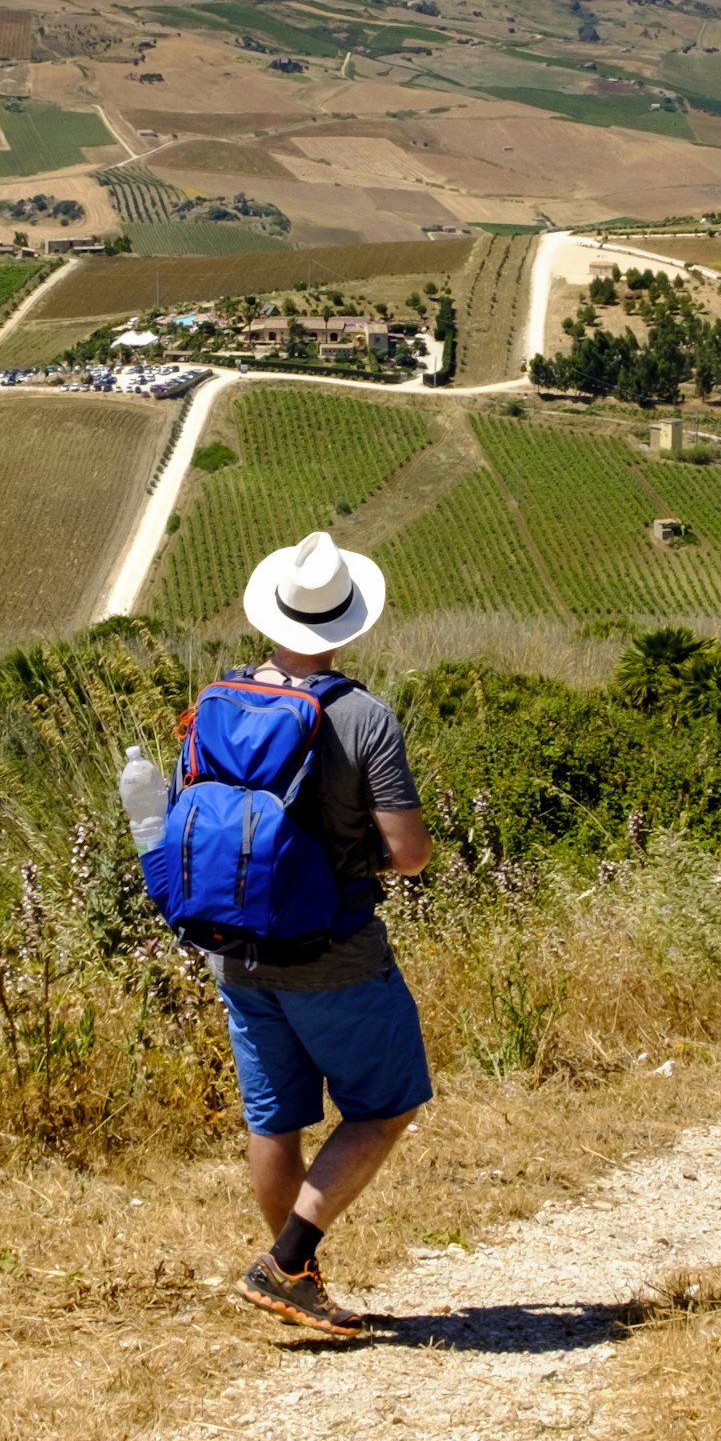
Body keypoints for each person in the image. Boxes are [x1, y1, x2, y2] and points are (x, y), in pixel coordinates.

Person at [173, 530, 434, 1338]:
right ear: (348, 623)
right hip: (335, 953)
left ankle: (295, 1276)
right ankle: (288, 1263)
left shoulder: (216, 702)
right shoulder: (363, 717)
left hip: (236, 948)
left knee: (274, 1119)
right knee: (385, 1107)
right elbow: (410, 854)